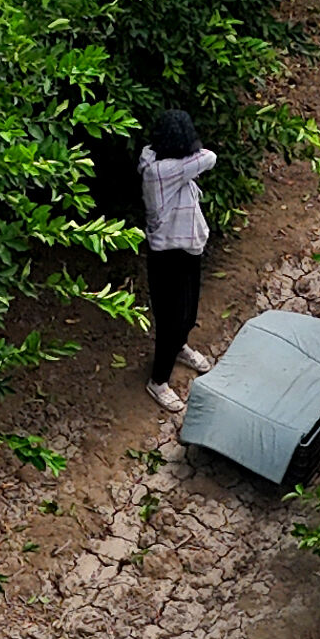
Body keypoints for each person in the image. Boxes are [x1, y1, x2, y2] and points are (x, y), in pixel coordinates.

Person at [139, 109, 217, 413]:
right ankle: (158, 381)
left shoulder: (160, 159)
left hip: (186, 247)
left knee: (188, 310)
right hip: (168, 253)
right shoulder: (159, 171)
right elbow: (208, 158)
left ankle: (180, 348)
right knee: (171, 320)